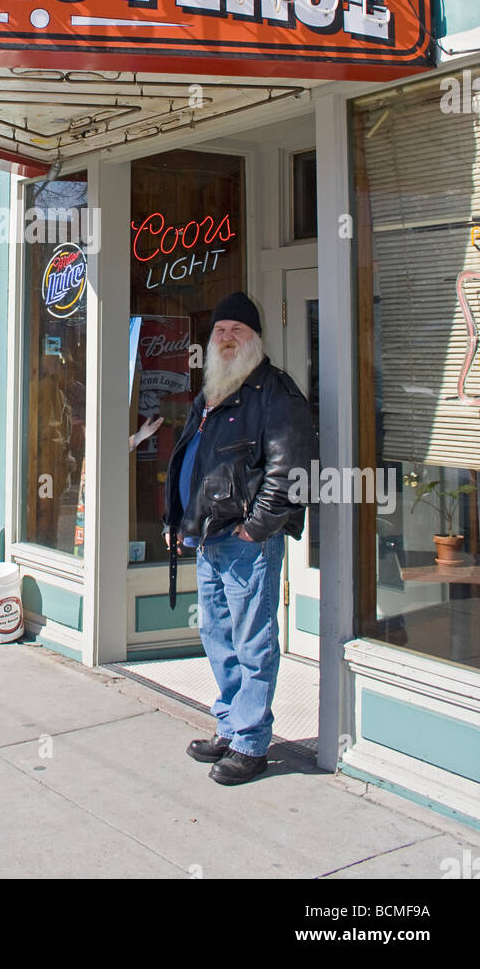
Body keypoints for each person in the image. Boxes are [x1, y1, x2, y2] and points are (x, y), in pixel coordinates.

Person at [163, 292, 315, 785]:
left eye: (237, 331)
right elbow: (194, 464)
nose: (226, 338)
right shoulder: (212, 392)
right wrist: (178, 521)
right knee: (216, 634)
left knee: (253, 641)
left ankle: (251, 742)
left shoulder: (276, 393)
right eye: (220, 331)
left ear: (257, 340)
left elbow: (290, 471)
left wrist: (254, 530)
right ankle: (229, 725)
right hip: (209, 539)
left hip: (246, 541)